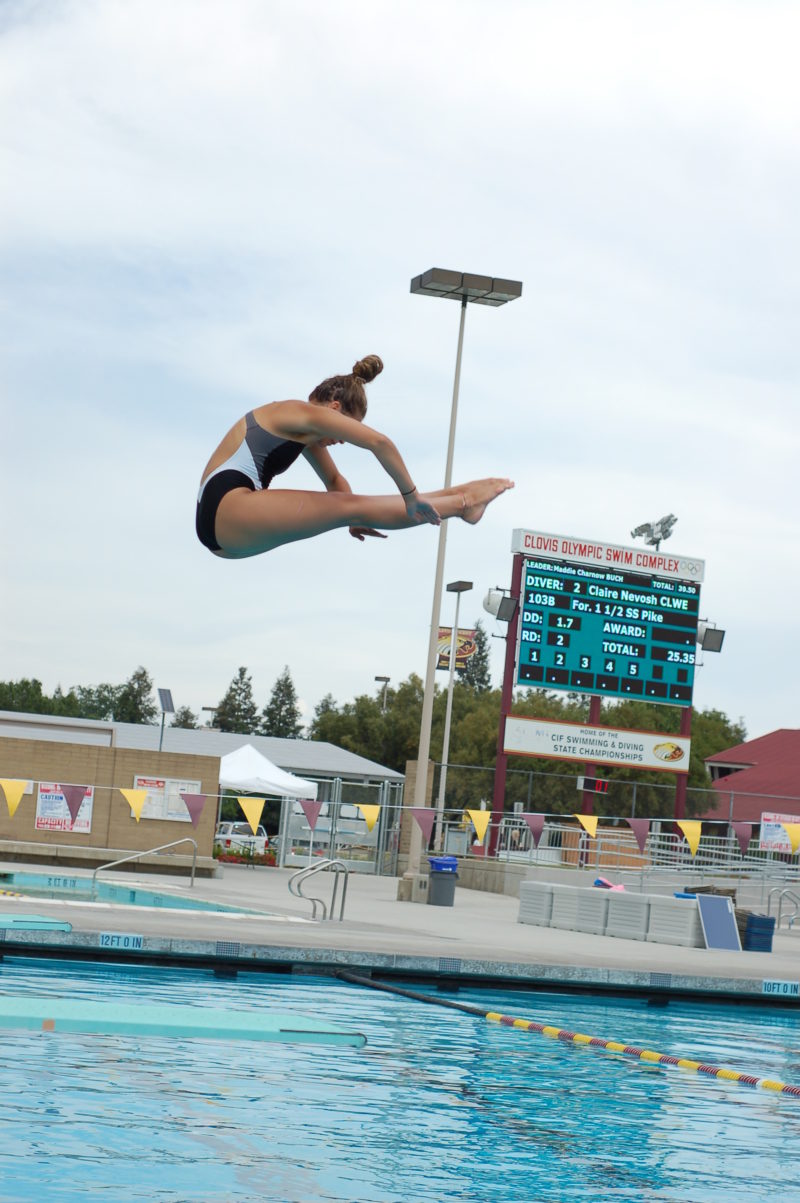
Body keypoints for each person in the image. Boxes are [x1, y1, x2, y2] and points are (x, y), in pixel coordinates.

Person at [195, 354, 513, 558]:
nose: (342, 440)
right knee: (359, 506)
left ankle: (459, 497)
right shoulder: (301, 413)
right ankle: (463, 502)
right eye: (347, 428)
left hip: (224, 529)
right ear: (335, 410)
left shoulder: (302, 432)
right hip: (226, 508)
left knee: (356, 506)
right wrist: (410, 496)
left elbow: (335, 482)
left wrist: (353, 520)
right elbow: (380, 442)